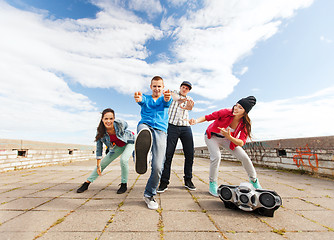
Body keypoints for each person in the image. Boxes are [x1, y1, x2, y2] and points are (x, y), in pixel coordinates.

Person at [188, 96, 262, 197]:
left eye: (240, 108)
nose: (235, 108)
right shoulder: (226, 112)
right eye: (236, 105)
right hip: (212, 136)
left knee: (244, 157)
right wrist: (195, 121)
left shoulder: (245, 123)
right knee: (216, 157)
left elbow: (241, 142)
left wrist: (229, 137)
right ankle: (212, 183)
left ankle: (254, 180)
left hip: (228, 139)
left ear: (245, 112)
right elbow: (208, 117)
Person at [134, 76, 172, 210]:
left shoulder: (165, 98)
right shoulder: (146, 98)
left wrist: (167, 97)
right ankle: (138, 154)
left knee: (157, 167)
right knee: (143, 132)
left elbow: (167, 101)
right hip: (145, 125)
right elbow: (140, 100)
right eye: (154, 86)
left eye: (159, 86)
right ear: (151, 87)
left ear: (163, 87)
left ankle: (149, 194)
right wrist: (138, 99)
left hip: (161, 131)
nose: (157, 89)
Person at [77, 108, 135, 194]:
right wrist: (98, 164)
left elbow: (126, 126)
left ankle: (124, 184)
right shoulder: (100, 132)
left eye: (111, 119)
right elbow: (99, 148)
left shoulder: (119, 124)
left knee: (123, 160)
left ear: (114, 119)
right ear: (102, 119)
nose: (108, 121)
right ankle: (87, 183)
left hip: (130, 141)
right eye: (106, 119)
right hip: (119, 146)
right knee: (102, 163)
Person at [157, 81, 196, 193]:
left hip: (185, 127)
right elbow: (174, 97)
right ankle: (164, 182)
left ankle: (188, 180)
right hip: (172, 126)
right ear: (180, 87)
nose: (184, 89)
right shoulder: (173, 93)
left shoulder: (190, 98)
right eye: (183, 87)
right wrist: (180, 99)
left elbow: (189, 108)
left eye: (187, 88)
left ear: (189, 91)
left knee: (190, 154)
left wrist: (188, 106)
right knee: (168, 154)